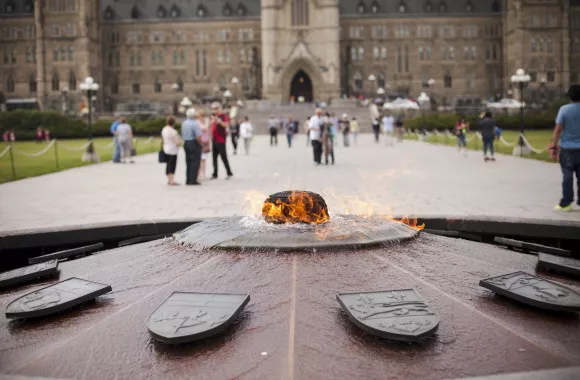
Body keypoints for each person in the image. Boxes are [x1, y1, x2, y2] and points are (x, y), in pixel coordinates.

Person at [549, 84, 580, 211]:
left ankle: (566, 202)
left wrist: (553, 146)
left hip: (567, 149)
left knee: (567, 176)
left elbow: (558, 130)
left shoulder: (564, 109)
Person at [211, 102, 234, 179]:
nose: (215, 110)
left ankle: (229, 172)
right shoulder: (213, 117)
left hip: (221, 139)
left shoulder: (224, 116)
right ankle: (215, 173)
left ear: (219, 108)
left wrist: (218, 120)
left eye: (216, 108)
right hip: (214, 139)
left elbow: (226, 125)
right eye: (213, 109)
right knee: (214, 157)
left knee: (223, 157)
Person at [181, 108, 203, 185]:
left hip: (186, 143)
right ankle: (193, 180)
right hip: (194, 143)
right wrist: (201, 144)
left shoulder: (184, 123)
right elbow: (198, 136)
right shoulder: (195, 123)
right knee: (195, 162)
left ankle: (188, 179)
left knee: (188, 162)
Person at [161, 116, 182, 186]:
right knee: (172, 165)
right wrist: (180, 142)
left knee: (168, 165)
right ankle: (171, 180)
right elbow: (177, 142)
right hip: (173, 150)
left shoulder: (164, 129)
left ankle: (169, 179)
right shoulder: (173, 131)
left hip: (166, 148)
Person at [198, 109, 211, 181]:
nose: (202, 117)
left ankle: (204, 174)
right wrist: (207, 122)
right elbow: (204, 128)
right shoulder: (198, 123)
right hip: (200, 142)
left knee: (204, 160)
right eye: (201, 116)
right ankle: (199, 174)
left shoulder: (204, 123)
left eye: (203, 116)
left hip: (206, 142)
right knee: (200, 159)